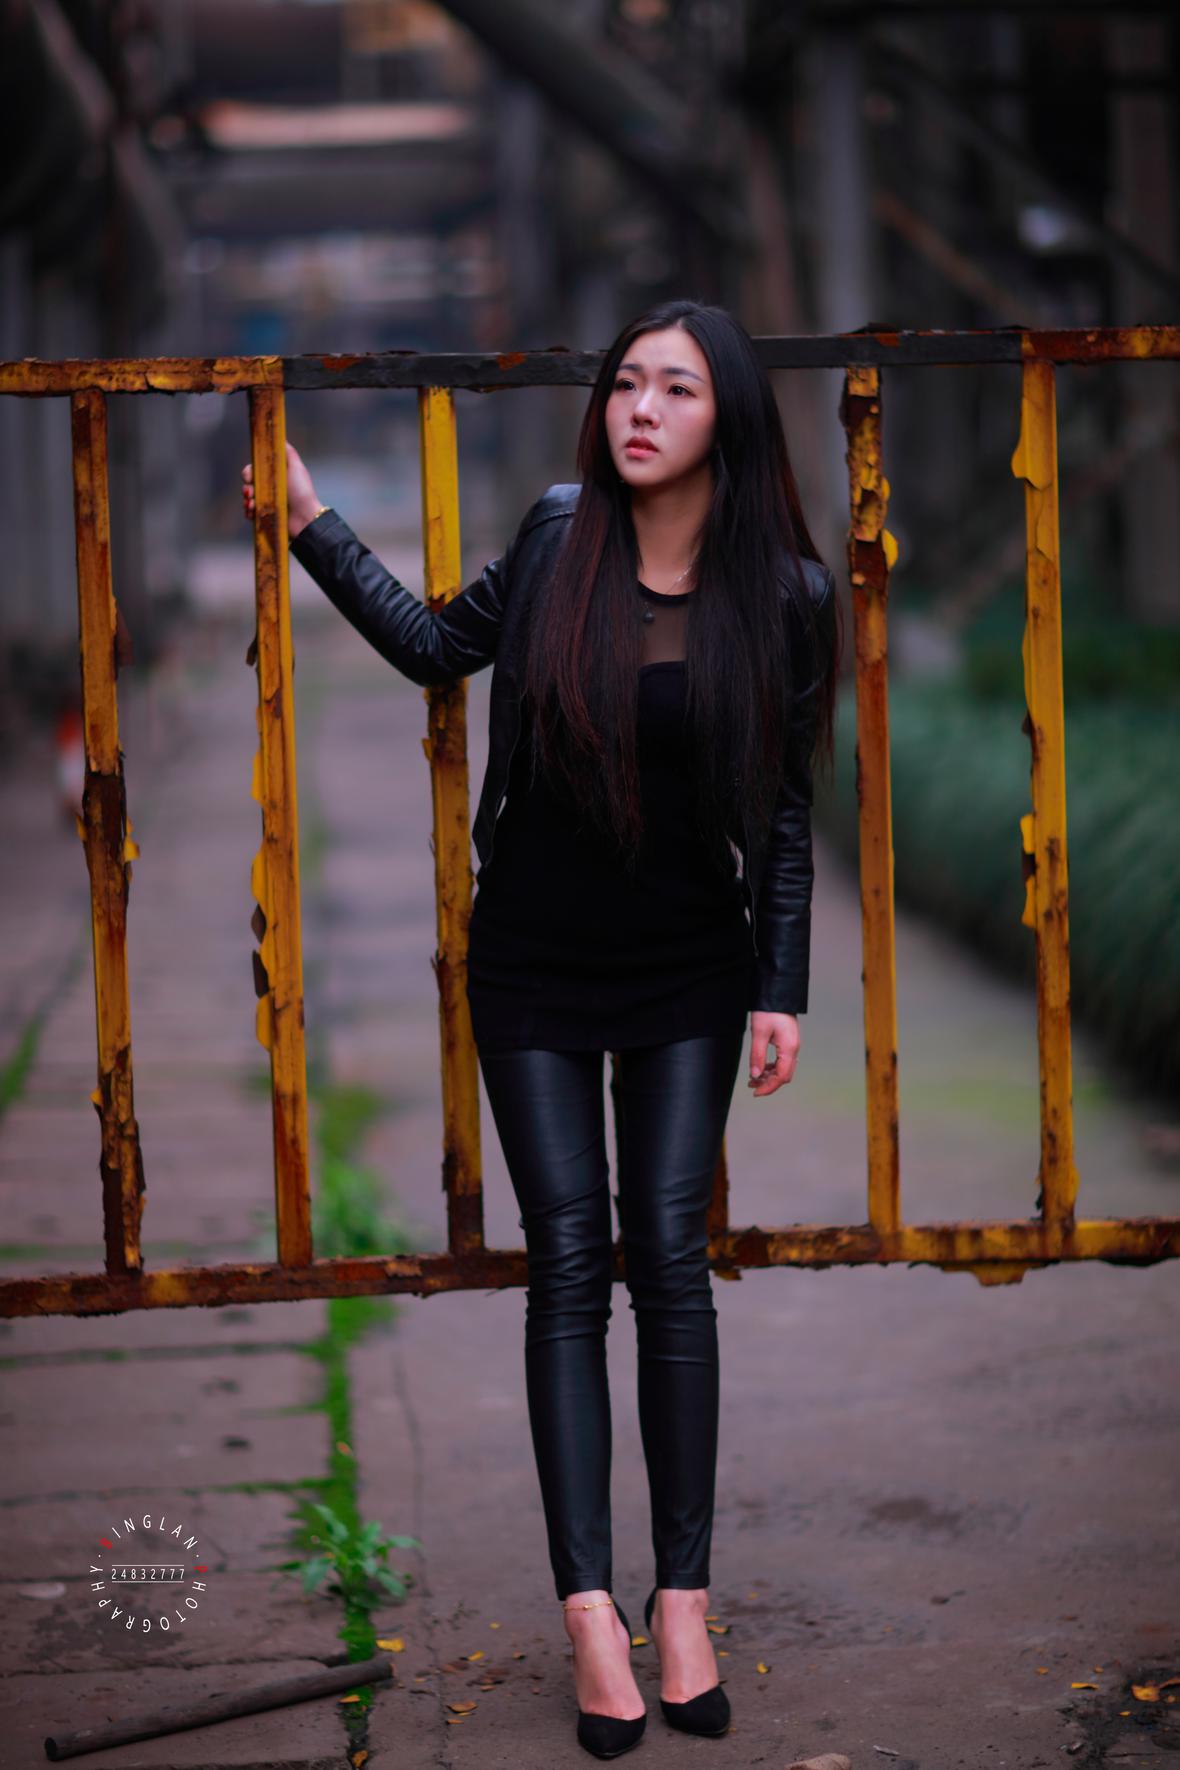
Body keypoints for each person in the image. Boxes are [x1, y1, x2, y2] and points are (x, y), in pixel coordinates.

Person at [241, 298, 841, 1759]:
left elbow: (783, 811)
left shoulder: (785, 596)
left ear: (728, 418)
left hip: (689, 967)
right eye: (627, 383)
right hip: (532, 965)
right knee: (570, 1262)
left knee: (671, 1261)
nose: (640, 409)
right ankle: (589, 1616)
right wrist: (312, 521)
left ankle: (682, 1603)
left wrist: (781, 983)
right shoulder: (561, 537)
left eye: (676, 389)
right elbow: (432, 646)